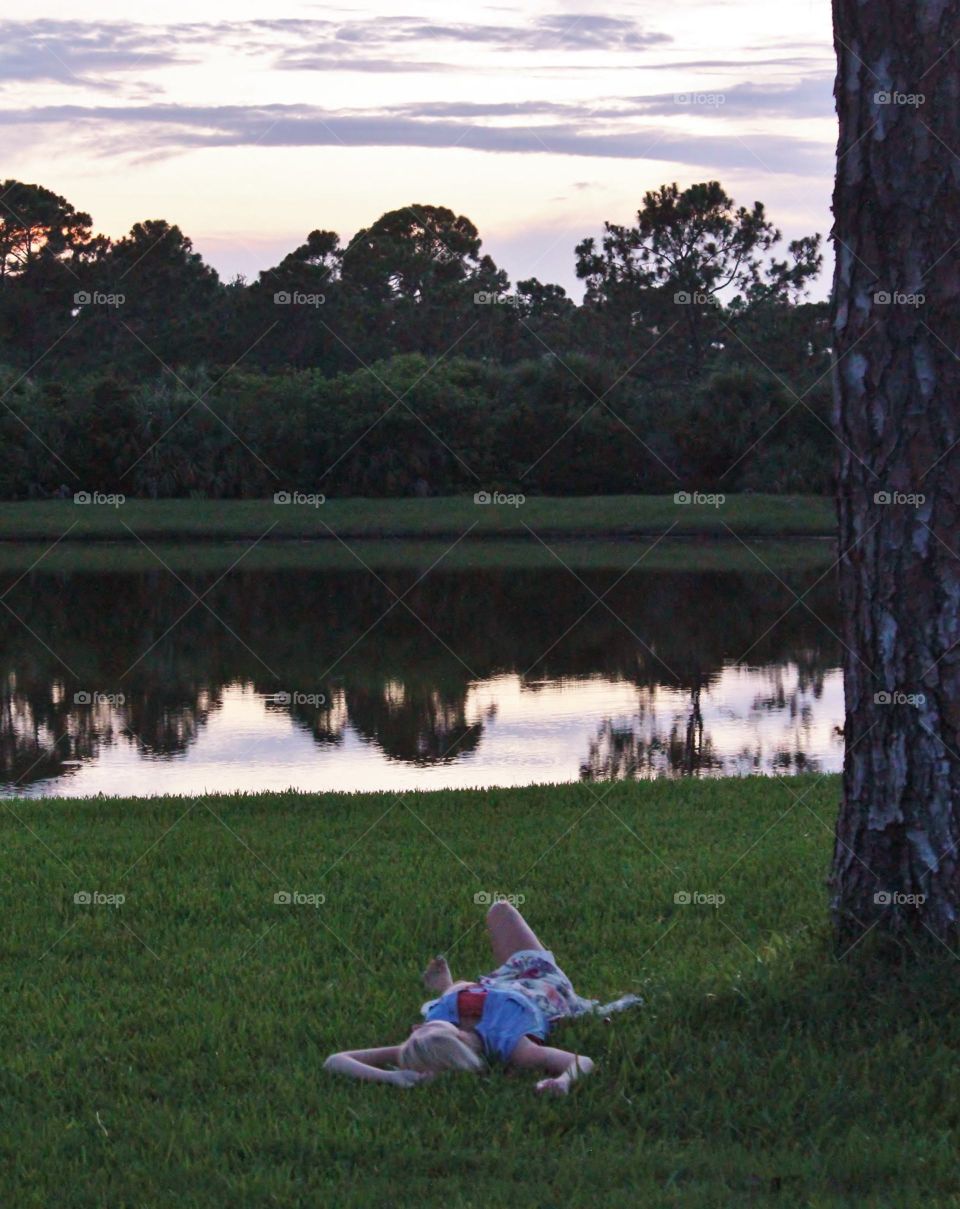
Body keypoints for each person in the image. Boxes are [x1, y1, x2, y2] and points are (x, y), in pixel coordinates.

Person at [324, 900, 639, 1095]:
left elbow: (336, 1060)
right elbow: (581, 1061)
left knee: (496, 913)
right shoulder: (514, 1044)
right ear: (459, 1036)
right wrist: (564, 1082)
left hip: (497, 982)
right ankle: (449, 987)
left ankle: (446, 985)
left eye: (420, 1027)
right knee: (501, 910)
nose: (413, 1028)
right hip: (537, 979)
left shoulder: (425, 1041)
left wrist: (393, 1078)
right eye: (426, 1028)